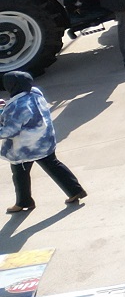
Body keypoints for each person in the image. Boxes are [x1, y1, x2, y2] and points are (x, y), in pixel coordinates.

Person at [2, 71, 86, 213]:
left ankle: (24, 202)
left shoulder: (17, 106)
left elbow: (9, 131)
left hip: (25, 148)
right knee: (54, 165)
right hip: (43, 140)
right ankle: (75, 190)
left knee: (20, 174)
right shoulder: (35, 93)